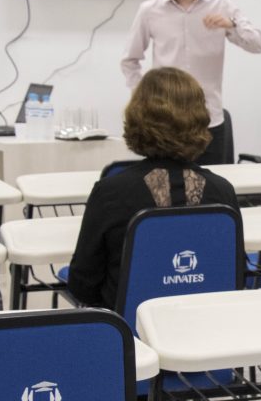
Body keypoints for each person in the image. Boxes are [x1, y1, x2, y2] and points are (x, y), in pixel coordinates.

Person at [67, 67, 240, 309]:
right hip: (205, 324)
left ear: (137, 117)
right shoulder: (222, 192)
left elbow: (83, 284)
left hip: (131, 328)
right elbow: (234, 275)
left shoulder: (110, 193)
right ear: (201, 119)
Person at [120, 0, 261, 165]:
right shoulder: (149, 10)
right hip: (165, 123)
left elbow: (257, 44)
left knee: (213, 183)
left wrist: (231, 25)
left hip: (209, 121)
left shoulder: (220, 5)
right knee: (166, 186)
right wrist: (144, 98)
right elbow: (129, 60)